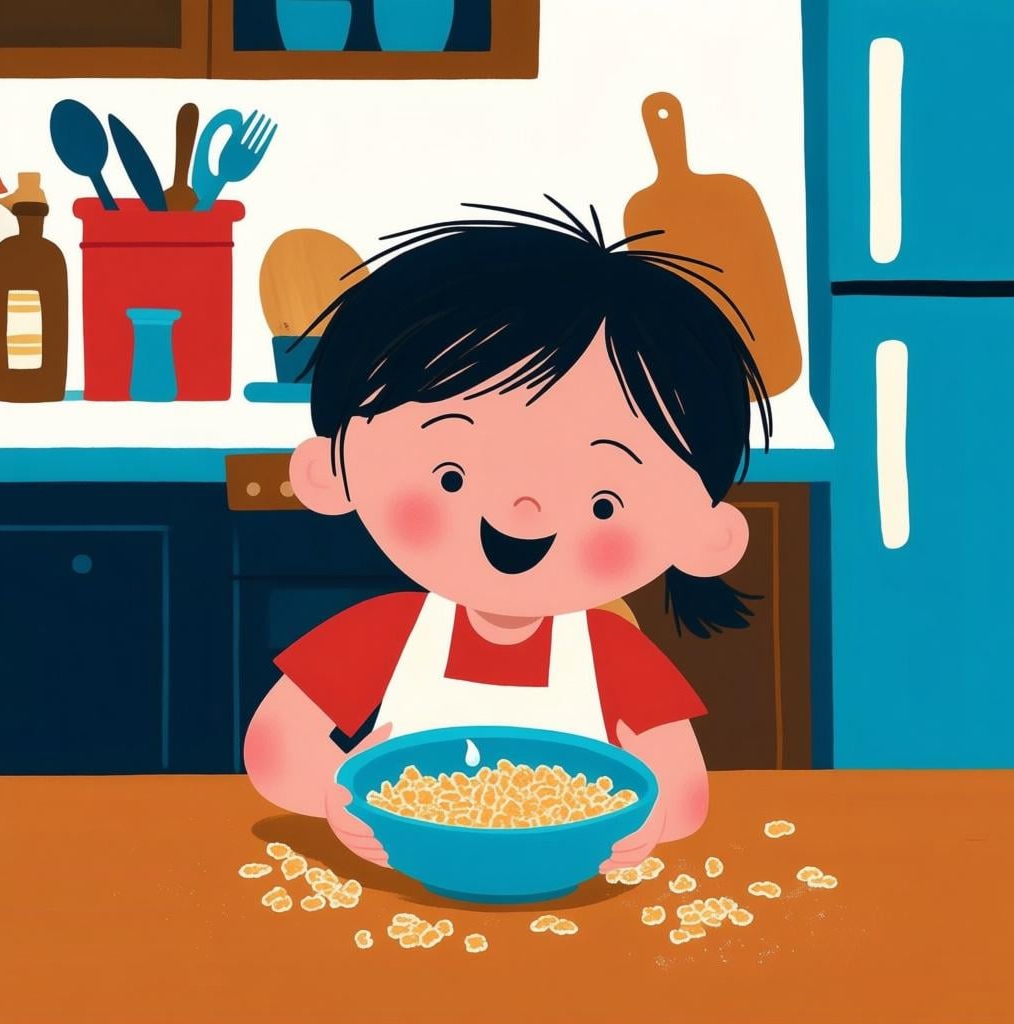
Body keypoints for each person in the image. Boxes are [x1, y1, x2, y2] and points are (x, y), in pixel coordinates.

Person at [244, 200, 771, 872]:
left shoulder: (616, 655)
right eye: (453, 476)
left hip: (576, 897)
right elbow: (275, 746)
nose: (523, 516)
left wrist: (652, 821)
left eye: (603, 502)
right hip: (401, 885)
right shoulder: (385, 636)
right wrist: (334, 795)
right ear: (330, 471)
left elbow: (685, 788)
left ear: (703, 536)